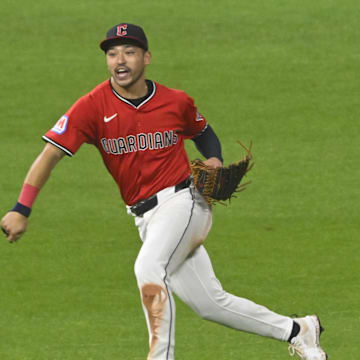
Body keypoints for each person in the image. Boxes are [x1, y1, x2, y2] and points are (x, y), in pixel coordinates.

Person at [0, 23, 327, 360]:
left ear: (146, 57)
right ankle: (298, 329)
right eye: (112, 54)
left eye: (129, 52)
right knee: (209, 303)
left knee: (148, 268)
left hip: (185, 203)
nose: (119, 60)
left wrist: (214, 158)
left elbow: (203, 132)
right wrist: (21, 208)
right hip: (146, 219)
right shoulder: (91, 107)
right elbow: (50, 154)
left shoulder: (175, 101)